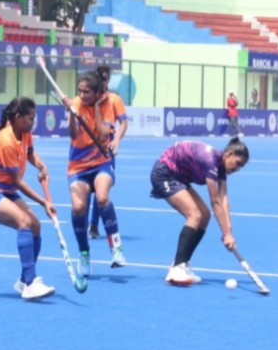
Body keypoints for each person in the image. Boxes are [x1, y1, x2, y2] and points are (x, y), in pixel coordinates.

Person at [0, 96, 56, 300]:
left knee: (35, 226)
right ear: (18, 117)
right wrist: (44, 202)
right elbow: (17, 181)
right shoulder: (6, 140)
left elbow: (30, 154)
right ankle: (30, 282)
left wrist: (42, 166)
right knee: (24, 222)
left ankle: (23, 281)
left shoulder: (24, 132)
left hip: (4, 188)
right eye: (30, 118)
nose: (33, 123)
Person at [149, 138, 249, 286]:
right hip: (164, 173)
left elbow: (224, 200)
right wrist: (226, 234)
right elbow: (215, 201)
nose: (237, 169)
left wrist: (228, 231)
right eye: (238, 163)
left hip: (178, 178)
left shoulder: (221, 167)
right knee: (194, 214)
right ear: (229, 154)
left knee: (205, 215)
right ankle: (177, 268)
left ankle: (182, 262)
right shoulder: (210, 161)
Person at [61, 66, 128, 267]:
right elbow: (73, 135)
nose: (82, 95)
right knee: (79, 207)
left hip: (101, 163)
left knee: (102, 197)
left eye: (86, 92)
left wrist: (97, 109)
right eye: (79, 90)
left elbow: (101, 135)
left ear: (96, 91)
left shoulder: (108, 103)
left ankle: (116, 249)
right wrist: (72, 113)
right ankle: (84, 253)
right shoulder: (75, 103)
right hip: (78, 166)